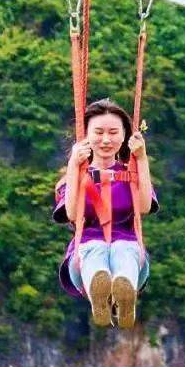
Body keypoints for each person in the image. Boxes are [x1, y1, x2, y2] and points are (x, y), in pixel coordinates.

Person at [53, 98, 157, 329]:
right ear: (86, 136)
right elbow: (71, 212)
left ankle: (124, 291)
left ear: (124, 136)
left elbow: (144, 207)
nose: (106, 140)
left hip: (129, 249)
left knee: (122, 249)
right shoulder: (73, 178)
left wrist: (141, 159)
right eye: (99, 132)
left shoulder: (132, 176)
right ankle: (99, 290)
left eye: (113, 132)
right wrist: (73, 165)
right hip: (85, 253)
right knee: (96, 250)